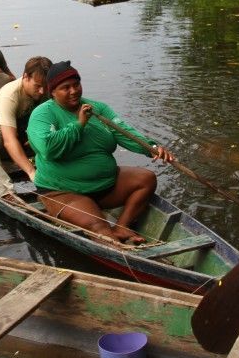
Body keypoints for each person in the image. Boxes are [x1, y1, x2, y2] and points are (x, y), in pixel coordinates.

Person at [26, 61, 175, 244]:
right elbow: (49, 149)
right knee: (99, 228)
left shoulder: (97, 108)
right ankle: (117, 246)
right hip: (63, 191)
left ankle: (121, 227)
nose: (73, 91)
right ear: (52, 92)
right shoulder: (42, 114)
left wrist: (151, 148)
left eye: (76, 85)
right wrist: (78, 124)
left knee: (146, 179)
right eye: (66, 88)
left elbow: (124, 132)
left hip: (104, 186)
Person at [0, 56, 52, 200]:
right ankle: (5, 193)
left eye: (45, 87)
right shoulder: (10, 95)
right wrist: (31, 172)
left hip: (28, 138)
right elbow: (9, 140)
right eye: (37, 86)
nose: (41, 91)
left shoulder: (45, 92)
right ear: (26, 77)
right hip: (1, 140)